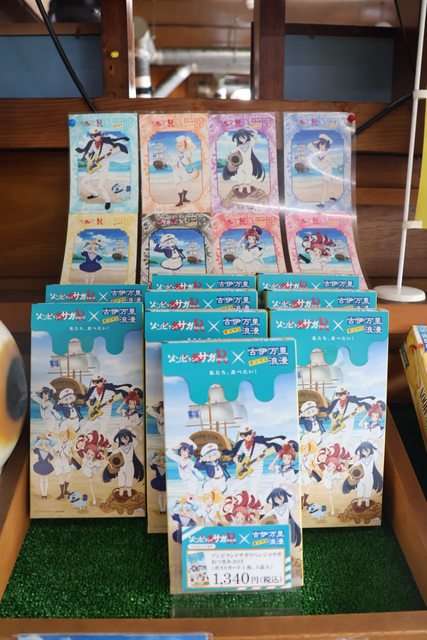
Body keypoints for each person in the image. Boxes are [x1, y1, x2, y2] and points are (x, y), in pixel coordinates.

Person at [76, 125, 129, 210]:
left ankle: (107, 201)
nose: (97, 137)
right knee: (84, 181)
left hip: (103, 167)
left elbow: (116, 149)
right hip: (94, 166)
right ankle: (95, 194)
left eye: (98, 134)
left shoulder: (106, 142)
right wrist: (90, 161)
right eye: (95, 135)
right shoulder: (92, 144)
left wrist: (110, 153)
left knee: (100, 186)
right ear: (92, 136)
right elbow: (86, 155)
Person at [230, 425, 285, 496]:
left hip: (257, 470)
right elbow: (235, 457)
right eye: (245, 434)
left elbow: (274, 448)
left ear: (252, 432)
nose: (248, 435)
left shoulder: (259, 442)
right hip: (245, 469)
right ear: (242, 435)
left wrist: (264, 456)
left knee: (253, 492)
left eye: (250, 433)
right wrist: (238, 464)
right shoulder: (242, 444)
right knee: (232, 489)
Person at [102, 428, 144, 498]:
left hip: (130, 464)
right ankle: (121, 492)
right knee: (121, 478)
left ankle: (129, 493)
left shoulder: (132, 445)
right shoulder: (120, 448)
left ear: (129, 436)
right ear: (120, 439)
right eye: (122, 438)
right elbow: (113, 454)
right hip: (122, 466)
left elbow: (140, 438)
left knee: (129, 480)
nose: (125, 440)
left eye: (126, 437)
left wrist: (132, 426)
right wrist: (107, 456)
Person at [222, 128, 265, 195]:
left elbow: (255, 137)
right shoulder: (238, 147)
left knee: (248, 177)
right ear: (238, 139)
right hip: (241, 164)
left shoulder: (250, 144)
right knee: (240, 176)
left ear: (247, 136)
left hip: (248, 163)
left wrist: (253, 130)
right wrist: (229, 158)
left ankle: (249, 191)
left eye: (244, 137)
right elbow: (231, 154)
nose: (242, 139)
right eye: (240, 138)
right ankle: (240, 191)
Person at [307, 133, 338, 207]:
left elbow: (332, 163)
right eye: (321, 144)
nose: (322, 147)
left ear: (326, 146)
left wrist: (336, 167)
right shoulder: (317, 152)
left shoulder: (327, 155)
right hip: (324, 171)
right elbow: (309, 146)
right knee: (330, 184)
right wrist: (314, 142)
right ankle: (334, 197)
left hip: (328, 171)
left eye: (324, 145)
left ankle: (322, 203)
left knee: (325, 187)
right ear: (318, 145)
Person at [172, 135, 198, 207]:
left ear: (185, 146)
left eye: (182, 146)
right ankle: (180, 201)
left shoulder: (187, 152)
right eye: (179, 146)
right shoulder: (176, 154)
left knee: (187, 184)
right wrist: (174, 165)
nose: (180, 148)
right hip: (176, 171)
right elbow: (173, 162)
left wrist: (187, 140)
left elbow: (194, 147)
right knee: (179, 185)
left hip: (183, 170)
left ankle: (184, 198)